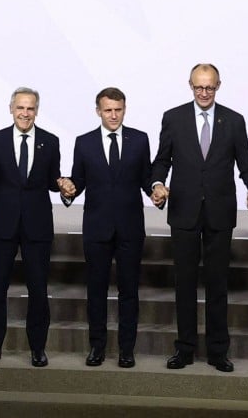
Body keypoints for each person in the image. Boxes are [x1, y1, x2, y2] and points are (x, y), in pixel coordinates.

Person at [151, 63, 248, 373]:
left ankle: (217, 352)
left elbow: (246, 164)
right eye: (199, 87)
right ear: (190, 85)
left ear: (219, 85)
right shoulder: (174, 118)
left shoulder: (234, 121)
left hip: (219, 214)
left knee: (217, 284)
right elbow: (161, 161)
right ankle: (184, 350)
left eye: (209, 87)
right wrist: (157, 185)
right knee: (184, 284)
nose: (204, 92)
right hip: (183, 211)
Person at [58, 87, 153, 369]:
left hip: (130, 227)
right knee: (96, 291)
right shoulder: (84, 142)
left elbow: (146, 179)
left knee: (129, 292)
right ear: (98, 111)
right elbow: (77, 182)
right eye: (108, 110)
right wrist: (68, 190)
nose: (114, 115)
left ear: (125, 109)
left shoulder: (139, 139)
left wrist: (157, 190)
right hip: (97, 228)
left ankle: (126, 350)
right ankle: (97, 348)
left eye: (118, 109)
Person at [0, 87, 61, 368]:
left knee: (38, 290)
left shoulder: (50, 141)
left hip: (38, 225)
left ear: (36, 111)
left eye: (30, 108)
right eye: (20, 107)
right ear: (11, 109)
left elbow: (53, 181)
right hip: (1, 225)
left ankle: (37, 349)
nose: (25, 113)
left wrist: (66, 188)